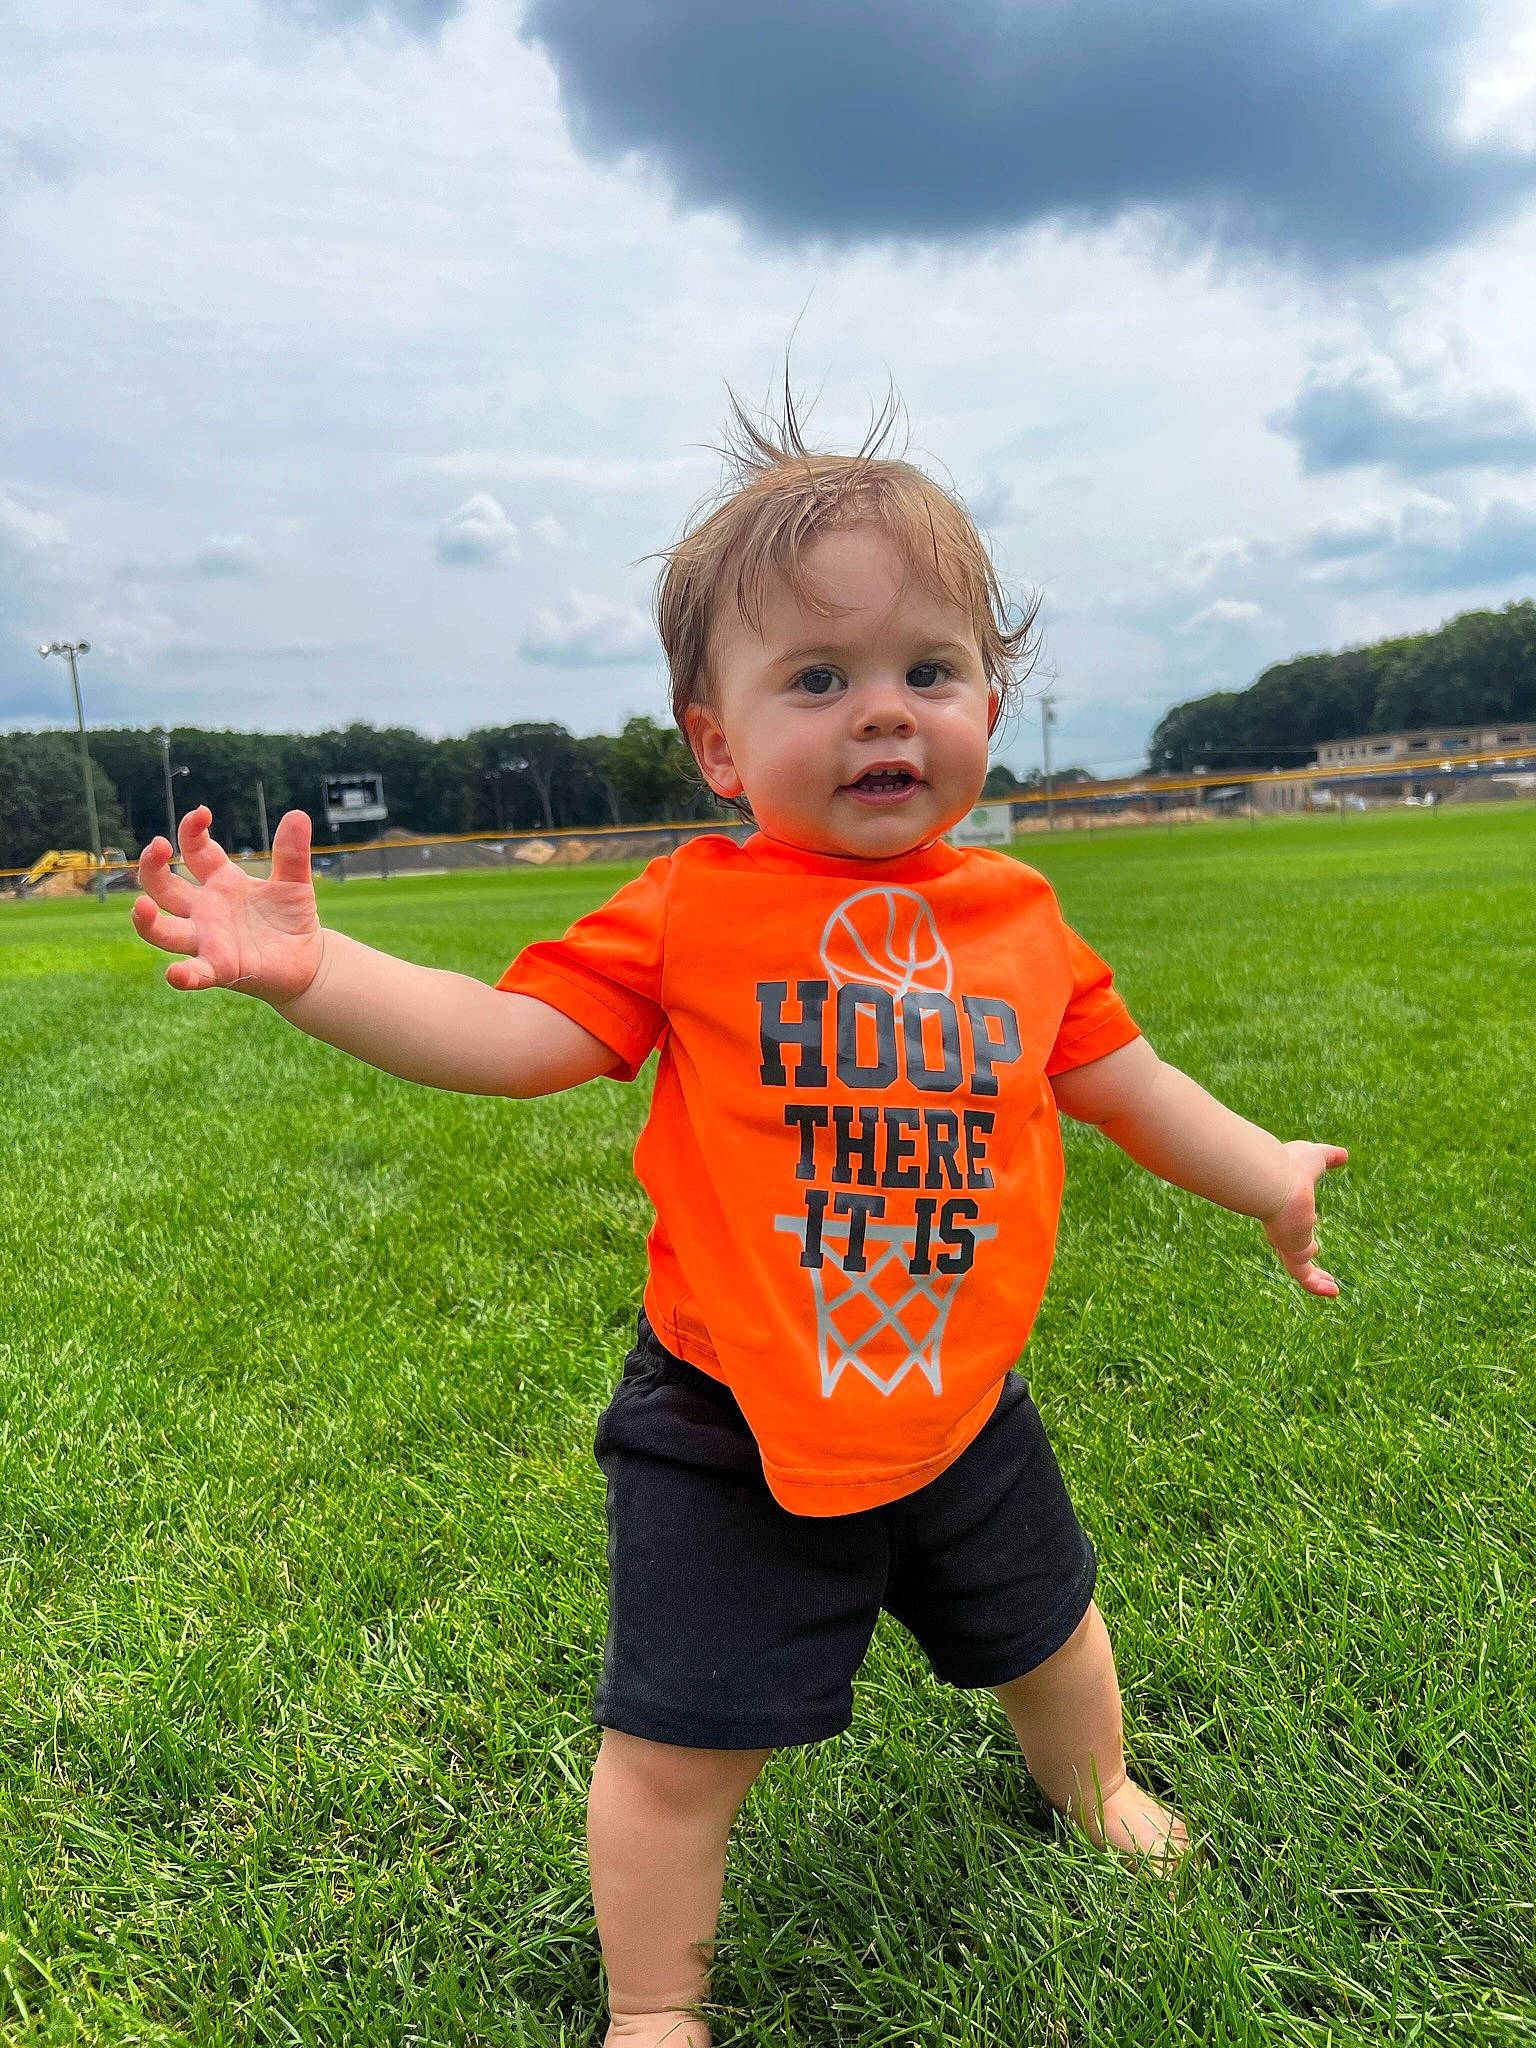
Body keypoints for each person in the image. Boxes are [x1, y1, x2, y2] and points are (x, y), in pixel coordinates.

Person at [132, 407, 1346, 2048]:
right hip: (731, 1415)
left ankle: (1100, 1791)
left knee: (1053, 1636)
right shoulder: (697, 909)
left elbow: (1131, 1088)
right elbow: (512, 1043)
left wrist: (1264, 1167)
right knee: (677, 1750)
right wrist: (316, 976)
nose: (884, 716)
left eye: (930, 669)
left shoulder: (1022, 922)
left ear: (992, 702)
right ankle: (653, 2006)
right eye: (819, 680)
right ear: (718, 745)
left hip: (957, 1395)